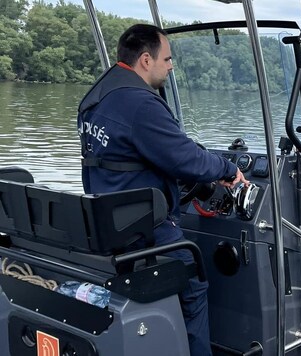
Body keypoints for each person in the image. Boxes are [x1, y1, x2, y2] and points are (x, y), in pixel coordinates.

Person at [77, 24, 248, 356]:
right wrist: (228, 169)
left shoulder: (95, 96)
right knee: (193, 278)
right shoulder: (141, 104)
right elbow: (187, 160)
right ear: (145, 60)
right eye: (167, 59)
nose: (171, 66)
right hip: (144, 229)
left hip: (107, 224)